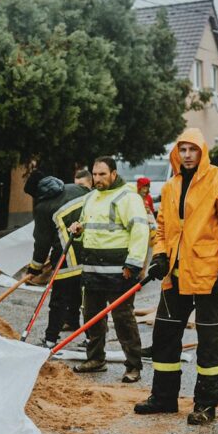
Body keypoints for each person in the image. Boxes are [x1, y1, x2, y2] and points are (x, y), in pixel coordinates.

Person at [136, 128, 218, 424]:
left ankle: (205, 404)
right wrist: (160, 255)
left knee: (209, 342)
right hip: (175, 278)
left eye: (192, 149)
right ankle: (163, 398)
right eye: (182, 150)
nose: (187, 155)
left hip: (210, 279)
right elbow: (162, 228)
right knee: (164, 336)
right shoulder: (172, 186)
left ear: (202, 151)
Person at [55, 157, 149, 382]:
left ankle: (133, 365)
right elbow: (91, 229)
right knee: (91, 317)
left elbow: (139, 231)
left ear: (114, 174)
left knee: (123, 320)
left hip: (119, 272)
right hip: (93, 271)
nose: (97, 179)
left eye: (102, 174)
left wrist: (133, 265)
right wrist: (79, 229)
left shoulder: (128, 198)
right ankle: (96, 359)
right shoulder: (90, 198)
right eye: (95, 175)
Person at [24, 168, 87, 347]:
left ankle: (51, 340)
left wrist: (34, 268)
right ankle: (90, 338)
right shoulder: (77, 189)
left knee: (59, 299)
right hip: (91, 252)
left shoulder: (43, 208)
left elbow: (42, 243)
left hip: (66, 259)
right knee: (85, 299)